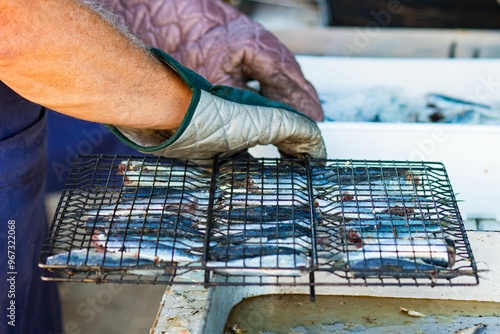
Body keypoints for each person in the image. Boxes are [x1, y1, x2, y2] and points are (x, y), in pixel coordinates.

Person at [0, 0, 325, 333]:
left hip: (19, 132)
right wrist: (190, 111)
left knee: (25, 301)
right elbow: (12, 26)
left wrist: (160, 11)